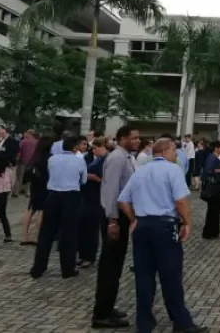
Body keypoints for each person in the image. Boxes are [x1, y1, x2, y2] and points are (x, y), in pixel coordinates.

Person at [117, 138, 207, 333]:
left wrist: (134, 219)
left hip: (143, 227)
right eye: (174, 151)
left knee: (144, 276)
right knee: (171, 275)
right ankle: (181, 322)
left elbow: (123, 201)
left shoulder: (140, 171)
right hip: (165, 227)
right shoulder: (172, 170)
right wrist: (187, 222)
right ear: (166, 151)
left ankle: (144, 323)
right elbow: (181, 201)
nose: (176, 155)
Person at [91, 126, 140, 329]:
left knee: (116, 265)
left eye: (138, 138)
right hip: (115, 216)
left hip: (121, 215)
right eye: (133, 138)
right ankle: (101, 314)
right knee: (109, 265)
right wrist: (112, 220)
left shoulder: (126, 157)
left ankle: (108, 306)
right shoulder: (117, 158)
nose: (138, 141)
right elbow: (111, 191)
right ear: (122, 139)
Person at [30, 136, 87, 279]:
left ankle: (38, 268)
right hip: (71, 196)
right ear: (75, 147)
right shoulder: (79, 160)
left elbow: (51, 174)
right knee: (69, 234)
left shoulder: (52, 159)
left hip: (53, 195)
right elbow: (84, 179)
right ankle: (67, 269)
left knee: (46, 233)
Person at [77, 137, 107, 268]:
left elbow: (105, 178)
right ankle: (83, 254)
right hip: (86, 194)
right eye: (93, 148)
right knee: (83, 226)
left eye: (96, 148)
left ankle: (89, 256)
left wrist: (94, 178)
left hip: (97, 196)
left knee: (92, 228)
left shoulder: (106, 160)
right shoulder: (89, 158)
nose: (93, 150)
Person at [201, 141, 220, 240]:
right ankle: (209, 232)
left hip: (216, 186)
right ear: (216, 148)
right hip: (213, 186)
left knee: (215, 210)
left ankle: (213, 231)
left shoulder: (215, 158)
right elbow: (208, 170)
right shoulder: (212, 157)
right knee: (213, 210)